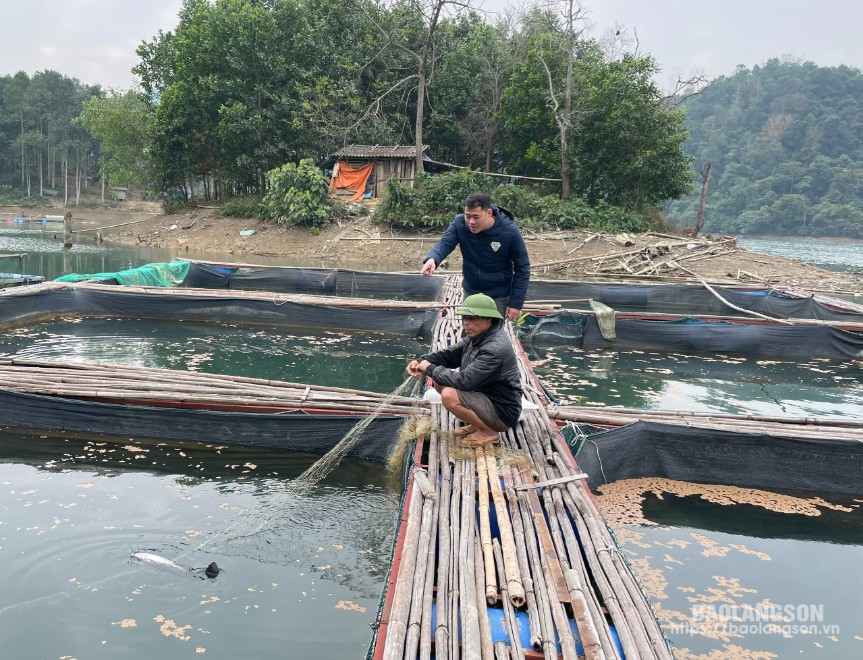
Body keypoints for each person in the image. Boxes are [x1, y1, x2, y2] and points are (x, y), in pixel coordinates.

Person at [406, 293, 522, 447]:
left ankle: (489, 432)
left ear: (489, 319)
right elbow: (449, 355)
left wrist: (429, 368)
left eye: (473, 318)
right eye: (465, 318)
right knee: (439, 381)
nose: (466, 323)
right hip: (485, 395)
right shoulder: (479, 336)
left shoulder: (494, 349)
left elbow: (464, 382)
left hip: (503, 410)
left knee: (448, 395)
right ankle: (477, 424)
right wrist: (421, 361)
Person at [420, 192, 530, 322]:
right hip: (471, 290)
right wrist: (433, 259)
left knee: (492, 335)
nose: (471, 222)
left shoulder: (509, 231)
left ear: (489, 213)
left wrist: (515, 303)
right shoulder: (459, 224)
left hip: (498, 294)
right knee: (468, 331)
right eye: (468, 216)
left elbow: (522, 268)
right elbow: (445, 243)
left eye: (476, 217)